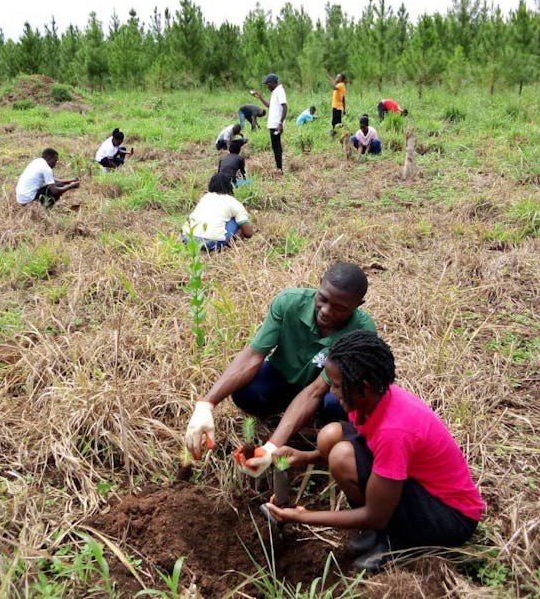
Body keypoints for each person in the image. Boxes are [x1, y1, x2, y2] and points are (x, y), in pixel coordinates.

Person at [264, 331, 484, 573]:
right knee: (330, 438)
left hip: (449, 517)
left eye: (337, 386)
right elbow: (367, 446)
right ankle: (387, 531)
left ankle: (398, 542)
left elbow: (374, 515)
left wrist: (302, 517)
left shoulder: (394, 431)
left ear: (363, 388)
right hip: (417, 483)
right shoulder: (371, 402)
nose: (332, 392)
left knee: (341, 458)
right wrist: (307, 458)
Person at [184, 263, 378, 464]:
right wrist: (206, 404)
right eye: (323, 298)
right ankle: (294, 415)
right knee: (247, 393)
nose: (327, 311)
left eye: (340, 308)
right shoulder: (289, 303)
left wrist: (271, 447)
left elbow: (315, 391)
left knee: (336, 404)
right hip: (283, 377)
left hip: (324, 390)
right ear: (320, 283)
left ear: (358, 305)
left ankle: (315, 424)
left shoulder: (360, 333)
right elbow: (253, 355)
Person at [182, 173, 254, 252]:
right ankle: (229, 244)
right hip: (213, 242)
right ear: (230, 186)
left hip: (188, 239)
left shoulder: (205, 198)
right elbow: (248, 233)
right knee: (238, 220)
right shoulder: (233, 202)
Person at [15, 148, 80, 208]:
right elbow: (55, 191)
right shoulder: (46, 168)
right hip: (29, 200)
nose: (55, 164)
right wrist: (70, 186)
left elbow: (51, 180)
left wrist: (70, 181)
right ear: (49, 158)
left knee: (58, 184)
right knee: (58, 187)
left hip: (21, 199)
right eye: (55, 160)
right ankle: (46, 208)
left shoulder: (37, 161)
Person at [250, 73, 288, 174]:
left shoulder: (279, 91)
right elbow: (270, 106)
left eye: (268, 84)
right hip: (274, 125)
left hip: (276, 125)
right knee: (276, 146)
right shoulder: (275, 91)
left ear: (274, 83)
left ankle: (279, 169)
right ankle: (279, 168)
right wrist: (260, 97)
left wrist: (280, 122)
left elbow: (285, 107)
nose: (267, 86)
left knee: (276, 147)